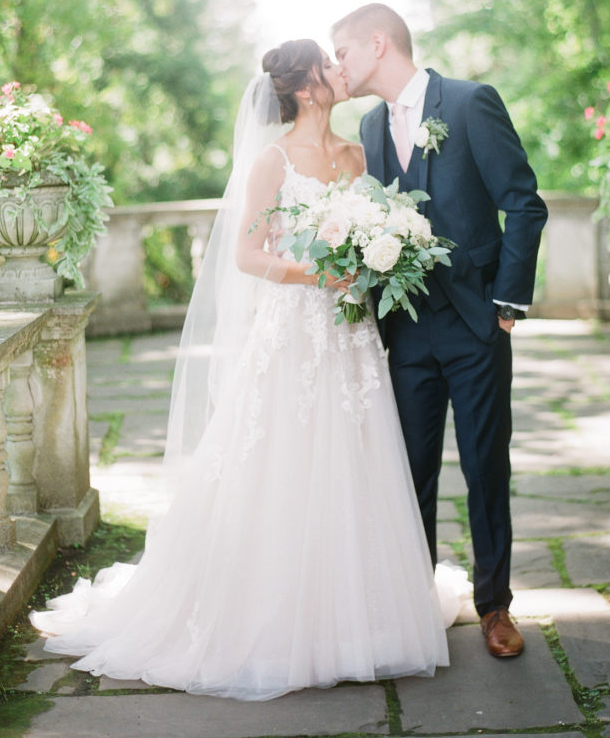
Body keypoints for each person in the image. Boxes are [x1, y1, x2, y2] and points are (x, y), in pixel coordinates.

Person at [31, 39, 452, 700]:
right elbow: (249, 256)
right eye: (329, 66)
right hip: (294, 332)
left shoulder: (358, 152)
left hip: (352, 338)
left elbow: (379, 230)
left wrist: (378, 260)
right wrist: (319, 270)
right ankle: (275, 618)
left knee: (356, 461)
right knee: (283, 463)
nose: (342, 73)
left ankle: (359, 616)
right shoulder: (273, 160)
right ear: (307, 87)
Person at [332, 4, 548, 658]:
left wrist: (507, 301)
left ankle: (495, 608)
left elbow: (523, 202)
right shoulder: (369, 126)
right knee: (408, 472)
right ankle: (412, 602)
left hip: (477, 321)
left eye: (342, 52)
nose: (338, 66)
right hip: (405, 330)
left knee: (486, 465)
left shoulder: (469, 102)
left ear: (377, 44)